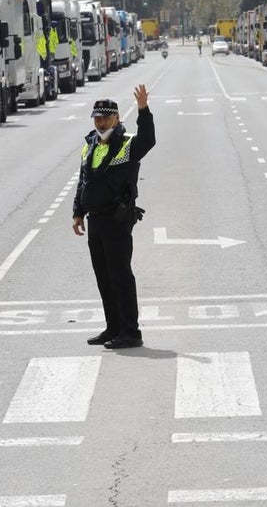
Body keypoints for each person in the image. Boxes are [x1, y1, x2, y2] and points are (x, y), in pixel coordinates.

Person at [72, 86, 156, 349]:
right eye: (97, 118)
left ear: (117, 119)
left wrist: (144, 110)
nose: (101, 122)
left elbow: (149, 140)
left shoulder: (127, 145)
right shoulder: (90, 146)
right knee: (103, 277)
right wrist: (78, 212)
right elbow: (83, 182)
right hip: (96, 220)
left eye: (106, 118)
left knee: (120, 275)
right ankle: (113, 327)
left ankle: (131, 331)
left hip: (117, 220)